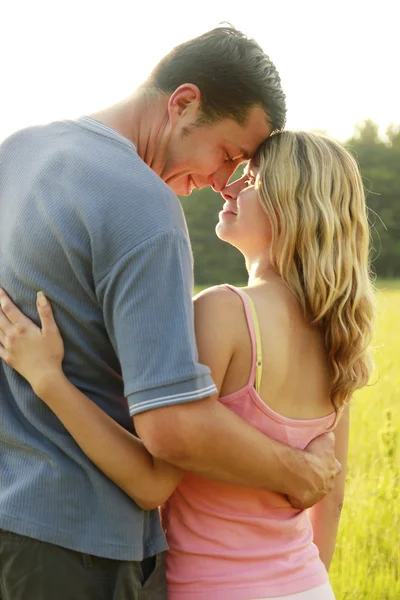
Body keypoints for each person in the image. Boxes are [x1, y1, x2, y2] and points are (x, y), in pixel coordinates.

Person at [0, 24, 340, 600]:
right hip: (82, 548)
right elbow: (173, 432)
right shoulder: (144, 205)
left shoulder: (17, 151)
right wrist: (300, 471)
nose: (216, 183)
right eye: (227, 156)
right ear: (183, 103)